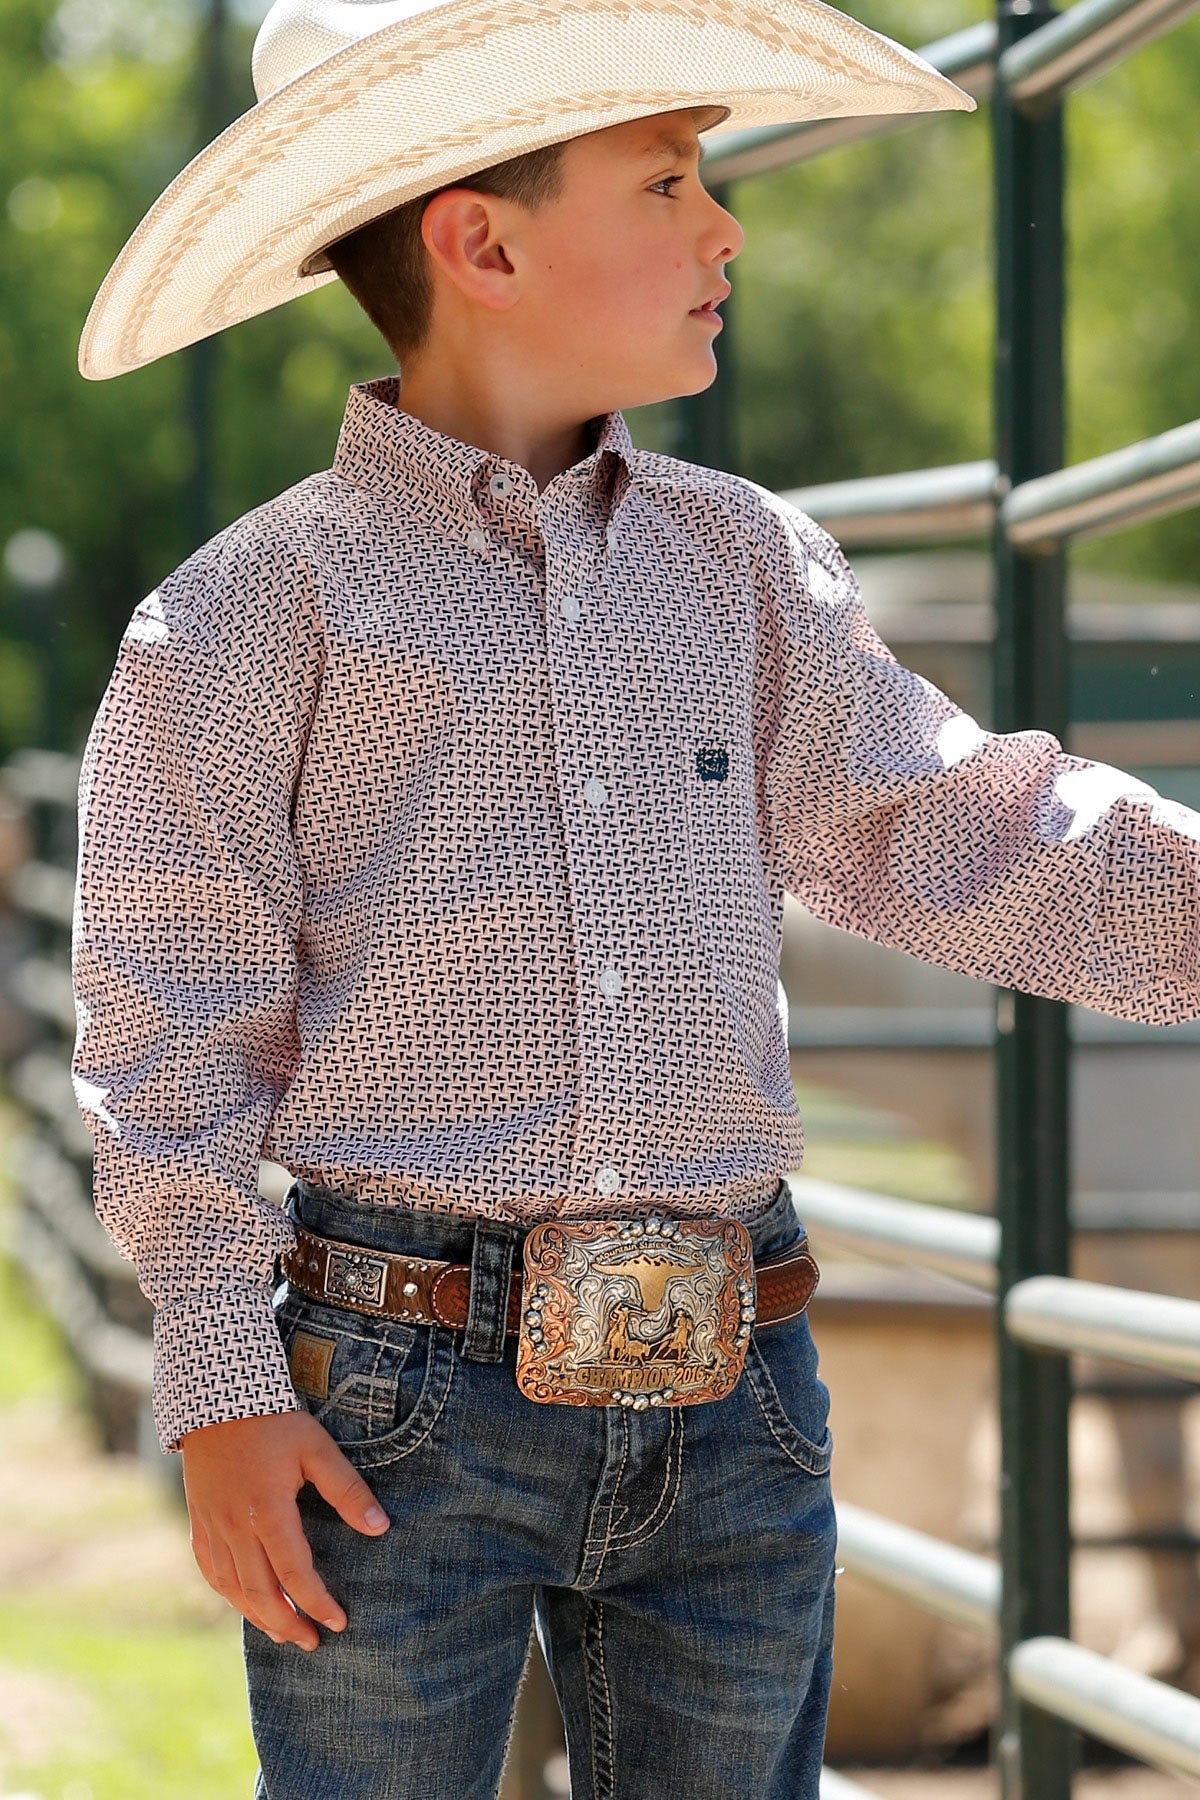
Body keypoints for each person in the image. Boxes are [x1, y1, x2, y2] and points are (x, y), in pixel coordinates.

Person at [68, 1, 1200, 1795]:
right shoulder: (239, 624)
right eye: (670, 178)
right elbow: (166, 1034)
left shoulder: (743, 563)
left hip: (738, 1383)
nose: (725, 226)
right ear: (483, 241)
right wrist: (218, 1378)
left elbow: (955, 824)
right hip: (393, 1397)